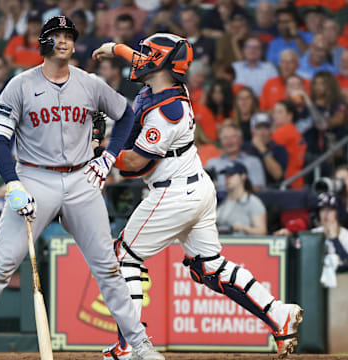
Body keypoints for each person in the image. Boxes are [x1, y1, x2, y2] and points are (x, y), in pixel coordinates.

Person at [92, 32, 303, 360]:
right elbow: (142, 60)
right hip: (195, 187)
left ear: (161, 61)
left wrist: (99, 148)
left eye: (148, 53)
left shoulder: (167, 111)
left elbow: (134, 162)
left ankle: (131, 347)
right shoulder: (163, 85)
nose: (140, 57)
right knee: (210, 267)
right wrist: (112, 49)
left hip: (174, 192)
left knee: (123, 257)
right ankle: (278, 313)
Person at [0, 16, 163, 360]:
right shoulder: (19, 85)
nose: (65, 40)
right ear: (43, 42)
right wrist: (13, 183)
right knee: (2, 264)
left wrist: (108, 156)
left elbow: (126, 115)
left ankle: (139, 343)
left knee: (108, 266)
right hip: (35, 178)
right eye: (57, 35)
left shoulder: (90, 83)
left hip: (83, 179)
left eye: (69, 35)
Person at [216, 161, 267, 235]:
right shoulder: (221, 201)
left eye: (231, 174)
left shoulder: (253, 202)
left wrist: (244, 228)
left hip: (242, 244)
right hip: (220, 243)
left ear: (243, 176)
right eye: (225, 175)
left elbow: (262, 231)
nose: (227, 178)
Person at [242, 112, 288, 188]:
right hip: (246, 189)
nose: (262, 132)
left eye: (266, 127)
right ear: (252, 130)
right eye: (258, 128)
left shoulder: (279, 149)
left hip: (271, 191)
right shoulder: (244, 147)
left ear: (271, 130)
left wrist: (262, 149)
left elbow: (278, 176)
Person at [311, 193, 348, 286]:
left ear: (338, 213)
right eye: (322, 209)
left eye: (330, 209)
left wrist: (335, 239)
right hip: (315, 283)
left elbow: (346, 262)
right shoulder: (313, 234)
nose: (326, 214)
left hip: (342, 285)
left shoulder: (345, 235)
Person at [272, 100, 306, 189]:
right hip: (299, 177)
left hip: (290, 178)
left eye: (280, 112)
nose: (275, 115)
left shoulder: (283, 131)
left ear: (290, 116)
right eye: (274, 112)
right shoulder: (293, 129)